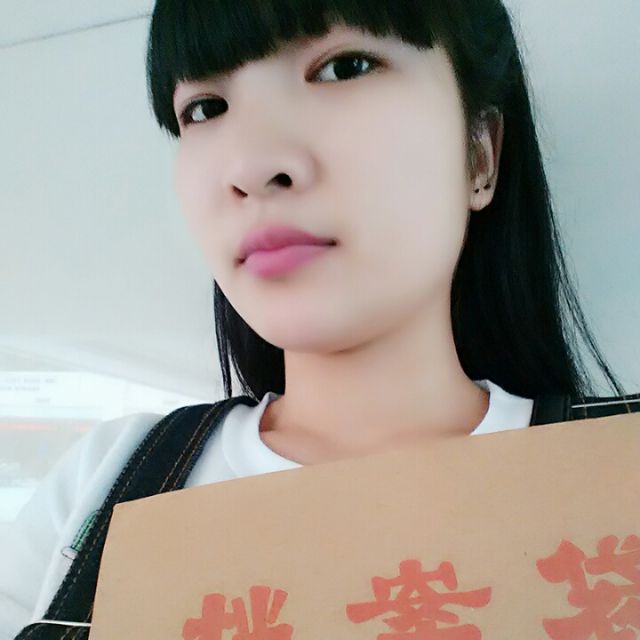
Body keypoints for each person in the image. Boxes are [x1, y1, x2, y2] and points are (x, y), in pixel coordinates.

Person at [1, 1, 635, 638]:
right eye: (205, 108)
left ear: (480, 154)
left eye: (344, 67)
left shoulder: (621, 467)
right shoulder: (105, 480)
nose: (251, 168)